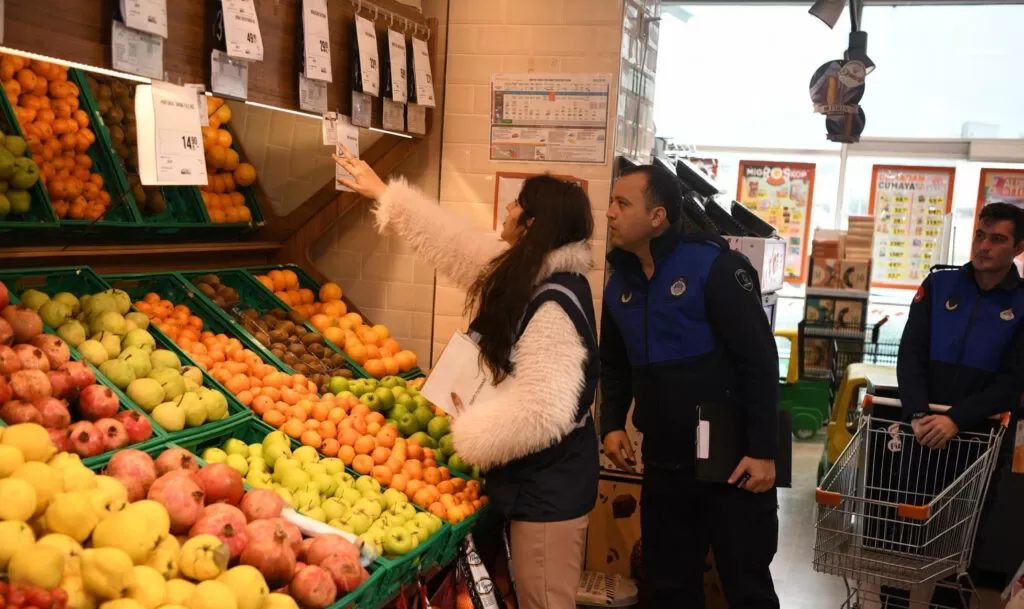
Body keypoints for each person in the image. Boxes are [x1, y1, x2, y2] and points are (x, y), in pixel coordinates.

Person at [333, 149, 600, 609]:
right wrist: (385, 195)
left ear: (533, 224)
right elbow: (455, 246)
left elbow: (542, 411)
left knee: (545, 600)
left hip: (549, 491)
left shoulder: (553, 302)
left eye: (518, 205)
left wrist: (470, 433)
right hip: (538, 483)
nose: (509, 210)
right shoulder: (526, 272)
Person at [598, 164, 781, 608]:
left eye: (623, 203)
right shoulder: (618, 283)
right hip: (665, 460)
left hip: (731, 453)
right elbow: (615, 365)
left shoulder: (715, 265)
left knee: (747, 586)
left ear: (657, 216)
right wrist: (612, 423)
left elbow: (759, 360)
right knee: (667, 588)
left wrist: (764, 450)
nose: (609, 214)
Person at [886, 202, 1024, 608]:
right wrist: (916, 414)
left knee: (961, 542)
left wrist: (957, 421)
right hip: (921, 430)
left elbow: (1015, 381)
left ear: (1018, 247)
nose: (983, 246)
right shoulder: (940, 285)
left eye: (997, 239)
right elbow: (909, 353)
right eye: (980, 235)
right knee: (904, 529)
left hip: (981, 438)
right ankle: (894, 602)